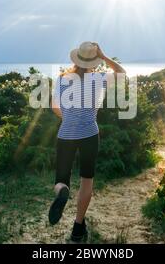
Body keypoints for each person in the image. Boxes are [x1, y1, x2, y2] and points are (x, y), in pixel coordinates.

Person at [49, 42, 126, 242]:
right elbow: (122, 73)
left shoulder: (62, 79)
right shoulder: (100, 78)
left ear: (77, 58)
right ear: (95, 60)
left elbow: (54, 106)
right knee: (86, 181)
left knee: (60, 179)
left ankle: (62, 190)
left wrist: (67, 118)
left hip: (66, 134)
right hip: (90, 134)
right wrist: (105, 55)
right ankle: (77, 228)